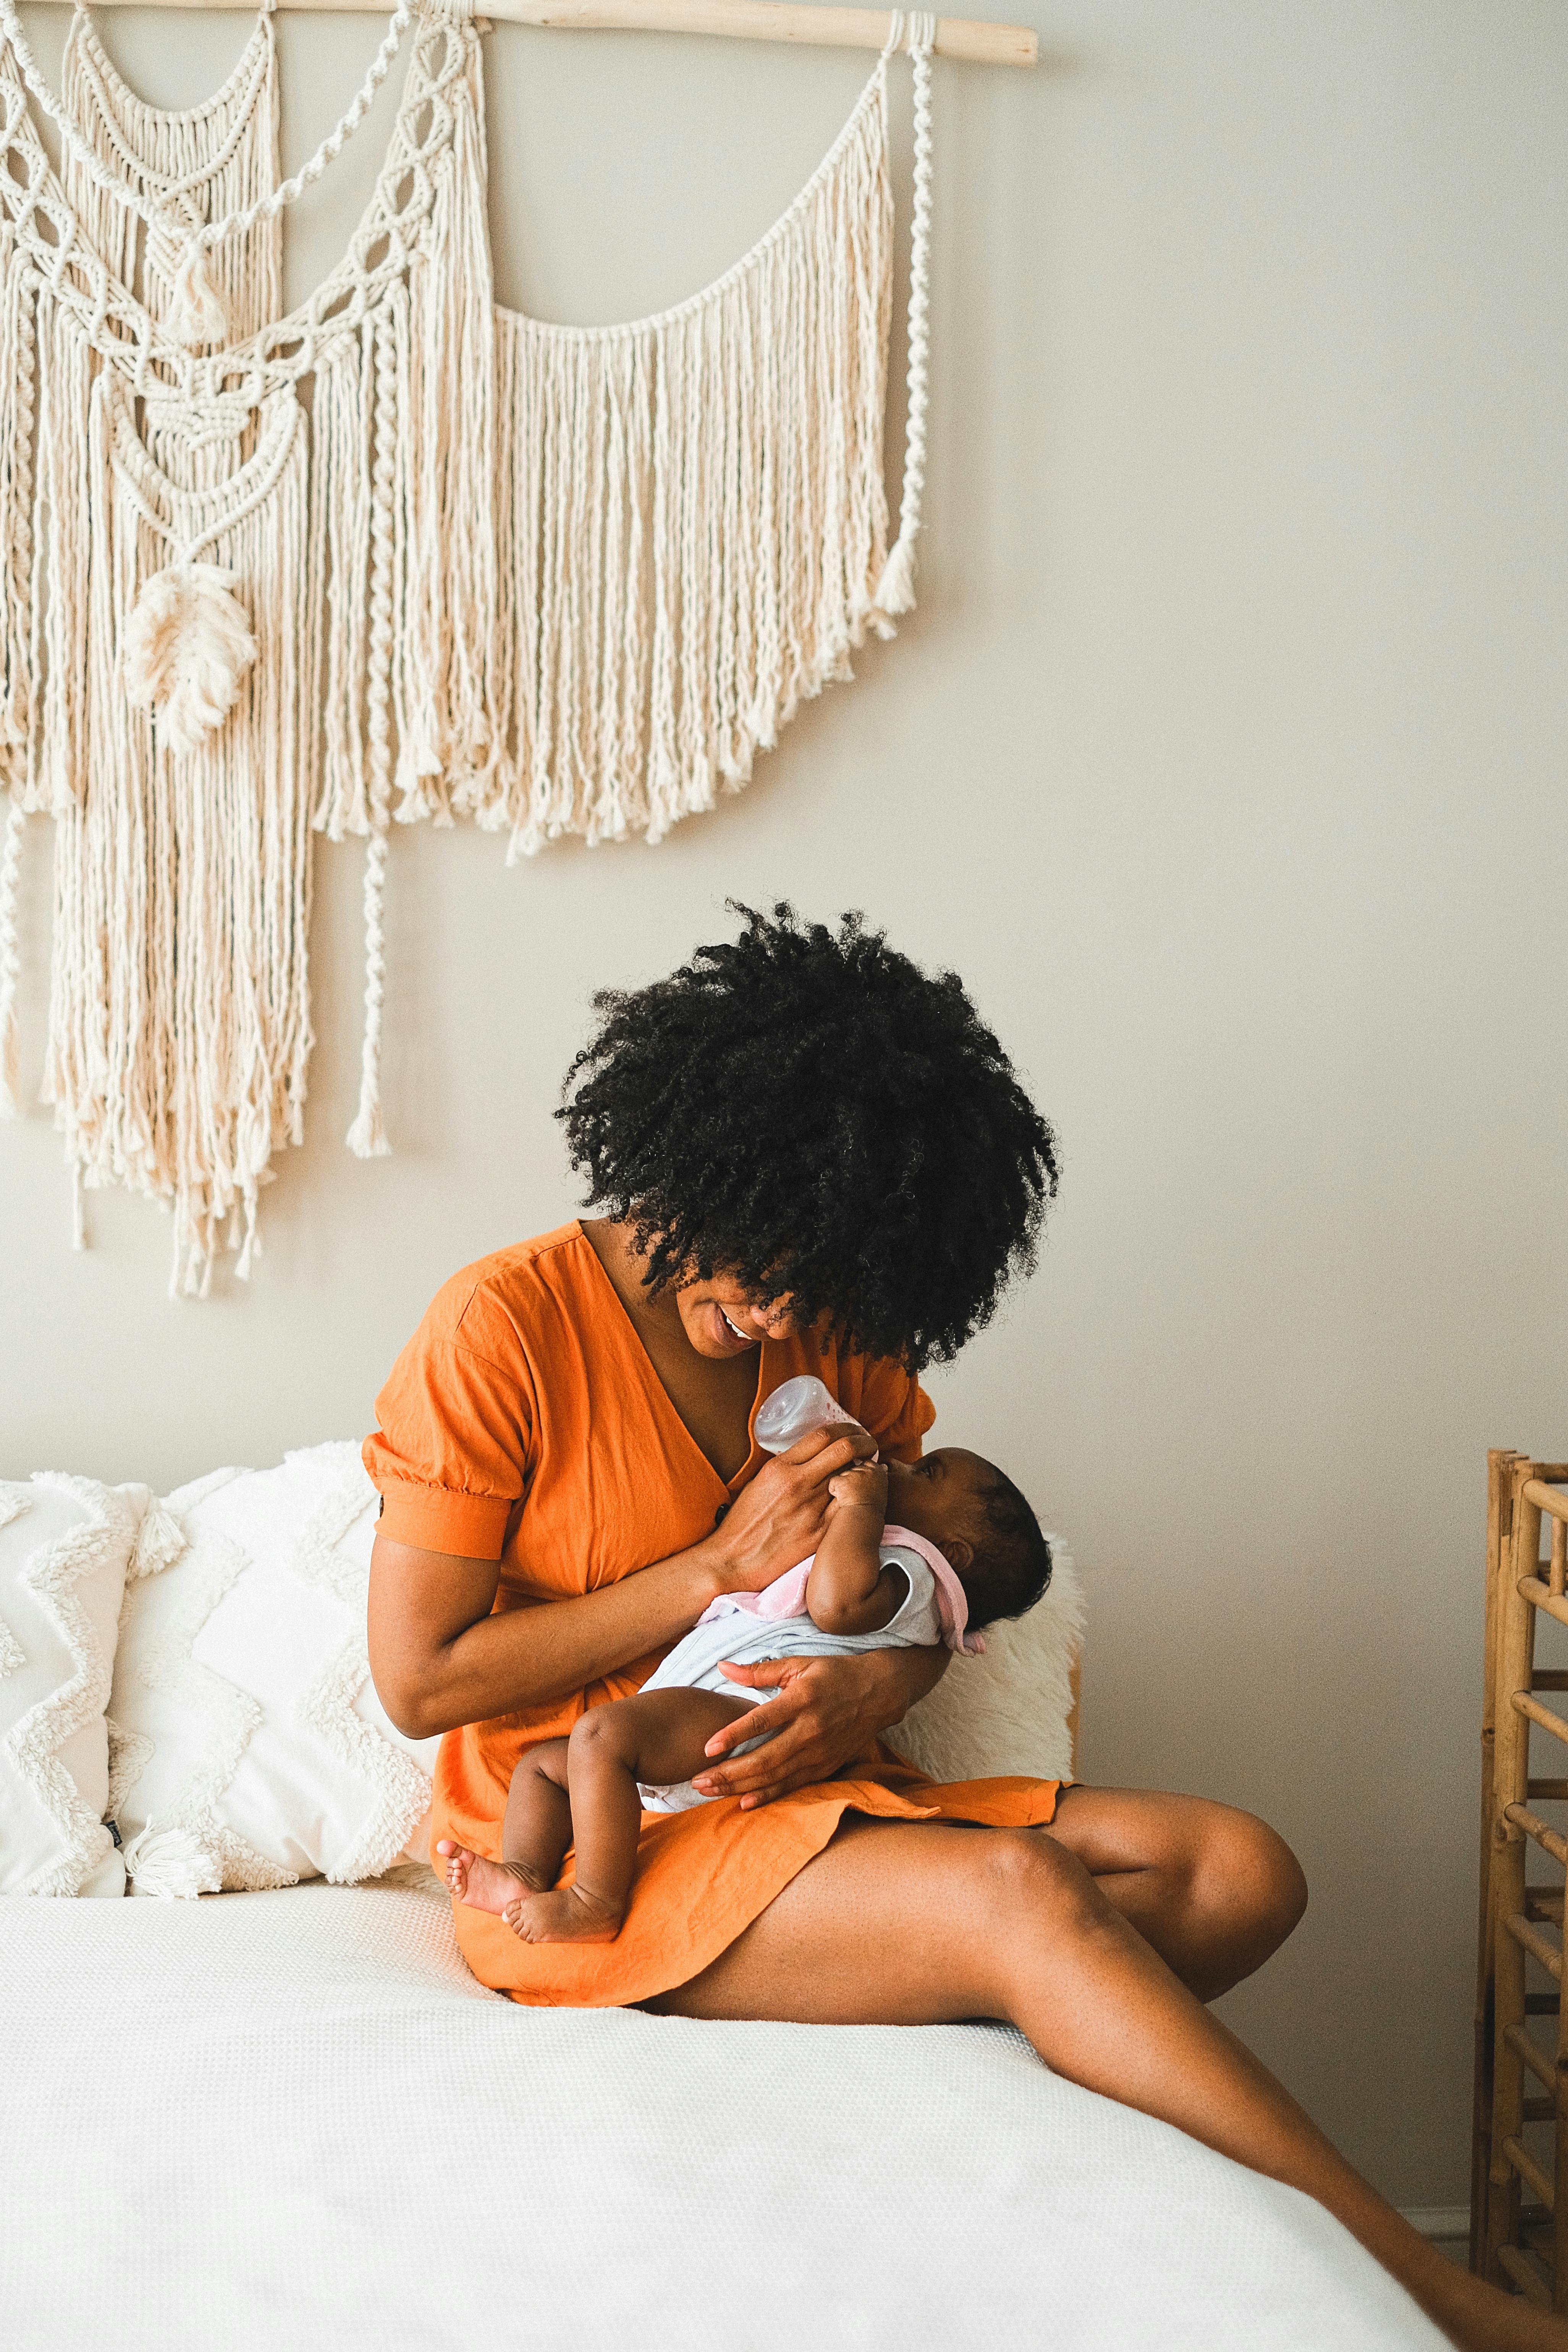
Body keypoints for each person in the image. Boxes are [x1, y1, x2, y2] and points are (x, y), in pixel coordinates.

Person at [365, 904, 1558, 2350]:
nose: (785, 1310)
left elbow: (921, 1586)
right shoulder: (500, 1329)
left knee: (1243, 1873)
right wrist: (702, 1572)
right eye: (766, 1260)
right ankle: (1437, 2301)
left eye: (826, 1283)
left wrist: (884, 1684)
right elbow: (420, 1682)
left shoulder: (836, 1323)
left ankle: (991, 2008)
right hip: (597, 1826)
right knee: (1026, 1902)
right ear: (698, 1156)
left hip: (807, 1790)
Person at [440, 1444, 1052, 1942]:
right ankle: (525, 1871)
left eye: (927, 1474)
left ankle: (595, 1900)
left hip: (752, 1718)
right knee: (545, 1768)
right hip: (706, 1712)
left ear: (953, 1554)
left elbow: (836, 1607)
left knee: (602, 1737)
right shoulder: (890, 1558)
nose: (898, 1464)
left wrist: (860, 1507)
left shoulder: (916, 1572)